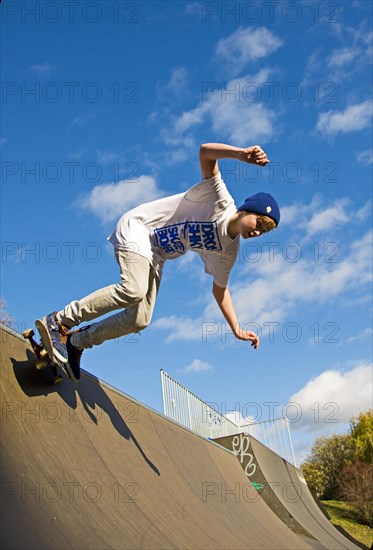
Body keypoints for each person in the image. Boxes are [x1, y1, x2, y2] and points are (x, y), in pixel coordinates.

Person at [43, 143, 280, 382]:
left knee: (139, 319)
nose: (258, 233)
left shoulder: (228, 252)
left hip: (155, 255)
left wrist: (236, 328)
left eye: (264, 232)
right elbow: (205, 152)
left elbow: (221, 290)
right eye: (259, 224)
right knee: (133, 290)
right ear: (246, 210)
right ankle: (59, 321)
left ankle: (75, 342)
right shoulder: (219, 198)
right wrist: (240, 155)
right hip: (139, 229)